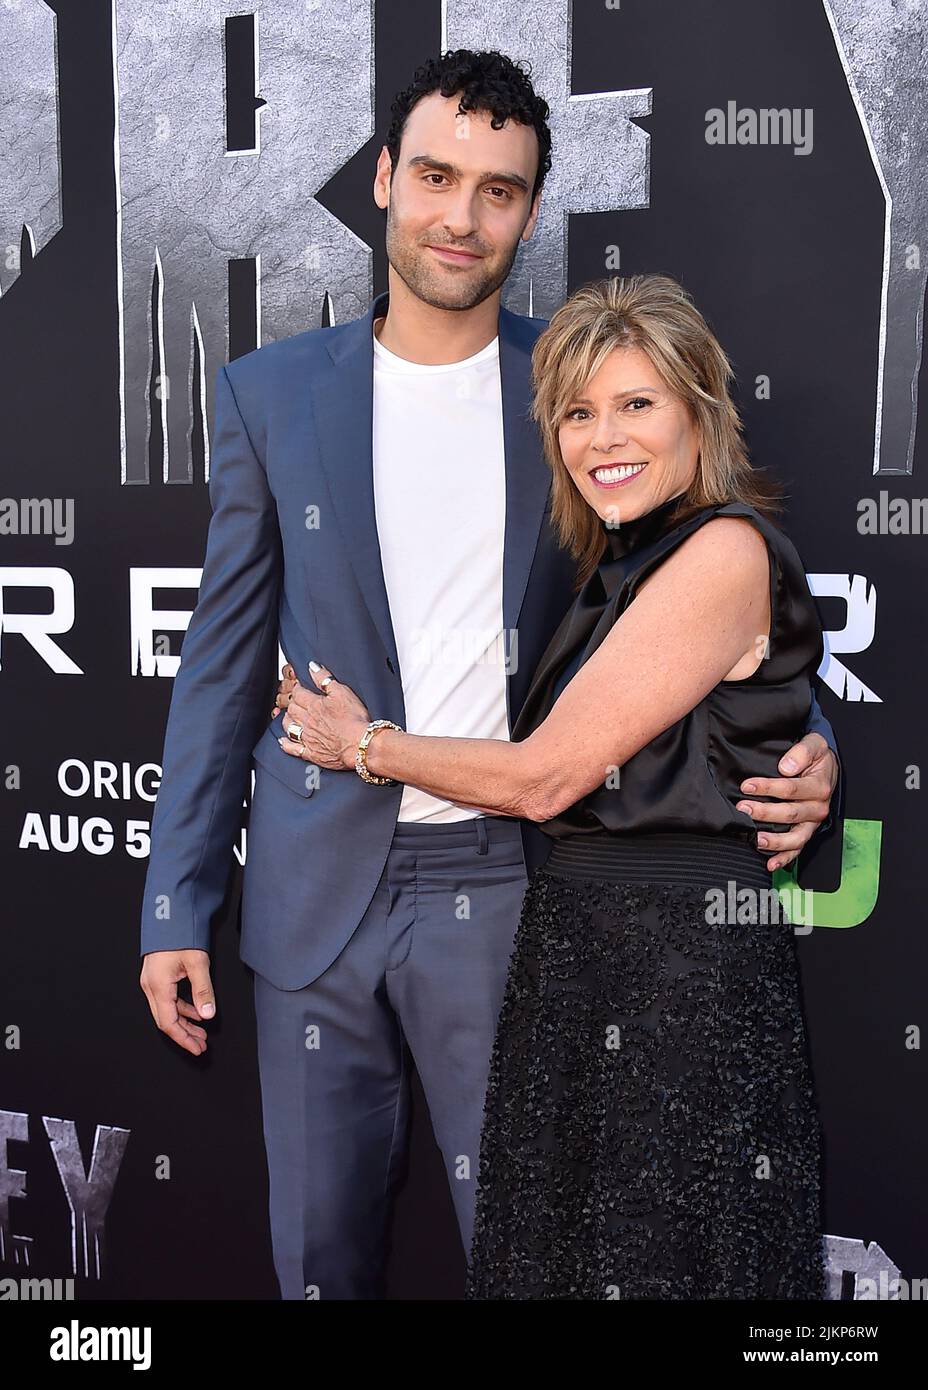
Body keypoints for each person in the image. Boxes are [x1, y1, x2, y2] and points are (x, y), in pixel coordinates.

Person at [140, 49, 839, 1300]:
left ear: (531, 210)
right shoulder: (270, 398)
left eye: (500, 190)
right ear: (382, 183)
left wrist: (796, 732)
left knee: (537, 1260)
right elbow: (219, 667)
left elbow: (690, 586)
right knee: (317, 1262)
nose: (461, 217)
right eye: (435, 177)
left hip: (517, 892)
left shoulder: (572, 392)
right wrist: (174, 905)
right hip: (311, 896)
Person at [276, 271, 832, 1299]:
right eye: (578, 411)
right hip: (580, 959)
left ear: (698, 413)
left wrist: (366, 744)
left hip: (681, 978)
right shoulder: (612, 569)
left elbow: (544, 778)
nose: (603, 437)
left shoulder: (720, 549)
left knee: (666, 1257)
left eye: (636, 404)